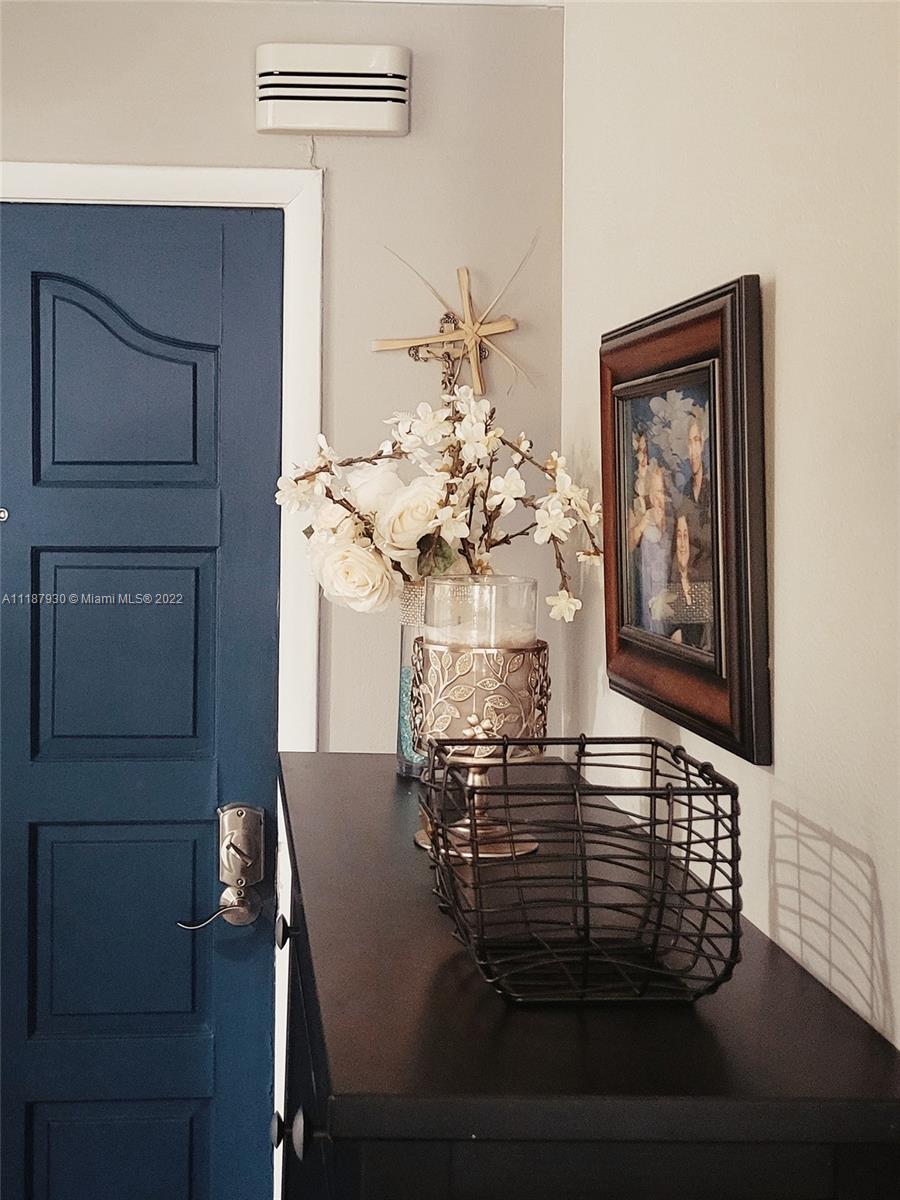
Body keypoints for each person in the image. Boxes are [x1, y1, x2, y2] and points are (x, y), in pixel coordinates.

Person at [630, 462, 672, 634]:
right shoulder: (643, 519)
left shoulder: (674, 521)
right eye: (653, 491)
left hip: (669, 599)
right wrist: (643, 523)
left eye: (661, 491)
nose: (657, 497)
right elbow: (629, 546)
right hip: (646, 596)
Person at [668, 511, 714, 652]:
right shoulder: (668, 580)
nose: (682, 544)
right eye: (678, 536)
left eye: (686, 536)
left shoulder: (702, 578)